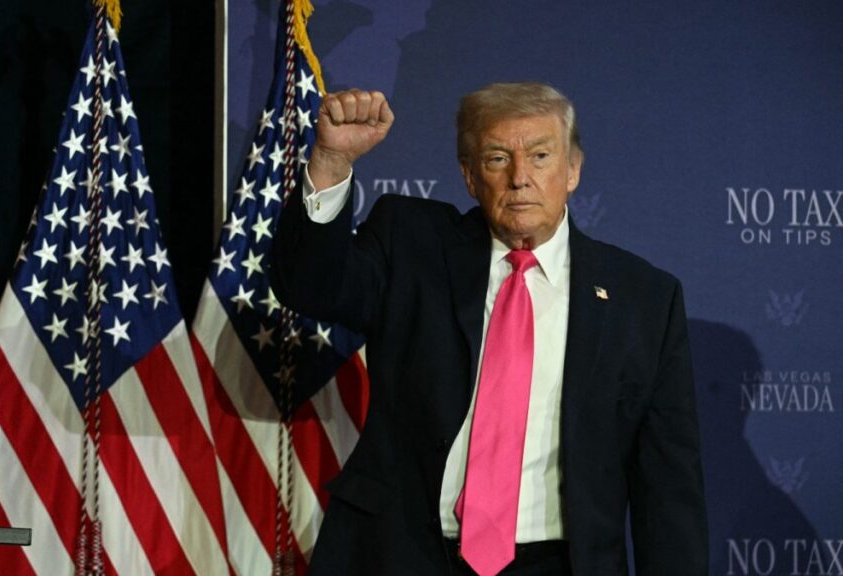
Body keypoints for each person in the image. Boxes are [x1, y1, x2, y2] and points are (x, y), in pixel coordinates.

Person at [271, 82, 708, 576]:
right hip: (405, 555)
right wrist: (332, 162)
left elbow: (668, 486)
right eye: (498, 159)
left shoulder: (642, 299)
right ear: (469, 176)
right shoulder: (412, 243)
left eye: (540, 156)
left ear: (573, 170)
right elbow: (309, 286)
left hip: (557, 565)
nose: (520, 178)